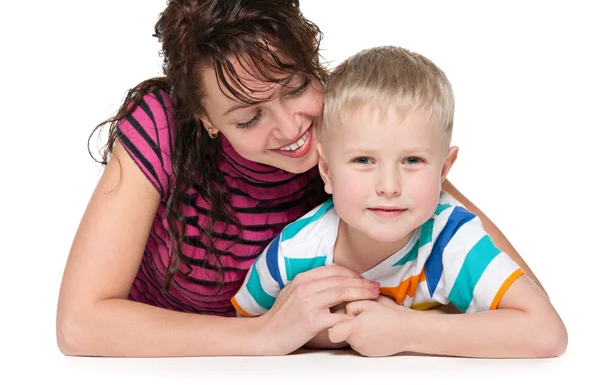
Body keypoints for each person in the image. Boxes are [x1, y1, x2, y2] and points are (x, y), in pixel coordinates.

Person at [56, 0, 548, 357]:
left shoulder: (347, 125)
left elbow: (520, 293)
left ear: (314, 63)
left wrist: (411, 326)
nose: (292, 129)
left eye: (295, 89)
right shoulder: (162, 126)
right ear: (205, 117)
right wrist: (264, 337)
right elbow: (81, 324)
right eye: (249, 118)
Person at [232, 46, 567, 358]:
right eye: (363, 160)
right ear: (327, 171)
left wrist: (406, 330)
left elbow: (546, 332)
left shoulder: (452, 241)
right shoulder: (294, 253)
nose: (389, 187)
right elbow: (247, 323)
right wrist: (342, 332)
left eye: (412, 161)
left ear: (443, 171)